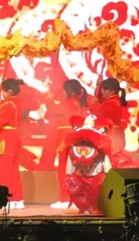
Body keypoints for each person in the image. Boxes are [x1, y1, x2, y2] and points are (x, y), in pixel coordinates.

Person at [50, 79, 91, 209]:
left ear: (68, 91)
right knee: (71, 169)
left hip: (66, 137)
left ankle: (66, 199)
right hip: (71, 137)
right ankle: (72, 198)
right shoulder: (79, 103)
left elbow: (53, 111)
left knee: (64, 169)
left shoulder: (69, 103)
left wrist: (49, 99)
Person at [0, 78, 25, 210]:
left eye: (3, 91)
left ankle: (7, 199)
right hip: (15, 139)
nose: (2, 93)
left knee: (5, 172)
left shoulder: (8, 104)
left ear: (8, 92)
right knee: (14, 172)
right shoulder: (16, 103)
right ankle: (18, 199)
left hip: (6, 140)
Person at [91, 78, 130, 167]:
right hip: (113, 134)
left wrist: (95, 104)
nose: (102, 91)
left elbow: (98, 112)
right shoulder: (111, 100)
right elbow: (100, 98)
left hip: (113, 136)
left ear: (112, 91)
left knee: (111, 161)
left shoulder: (113, 103)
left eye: (104, 89)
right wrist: (98, 85)